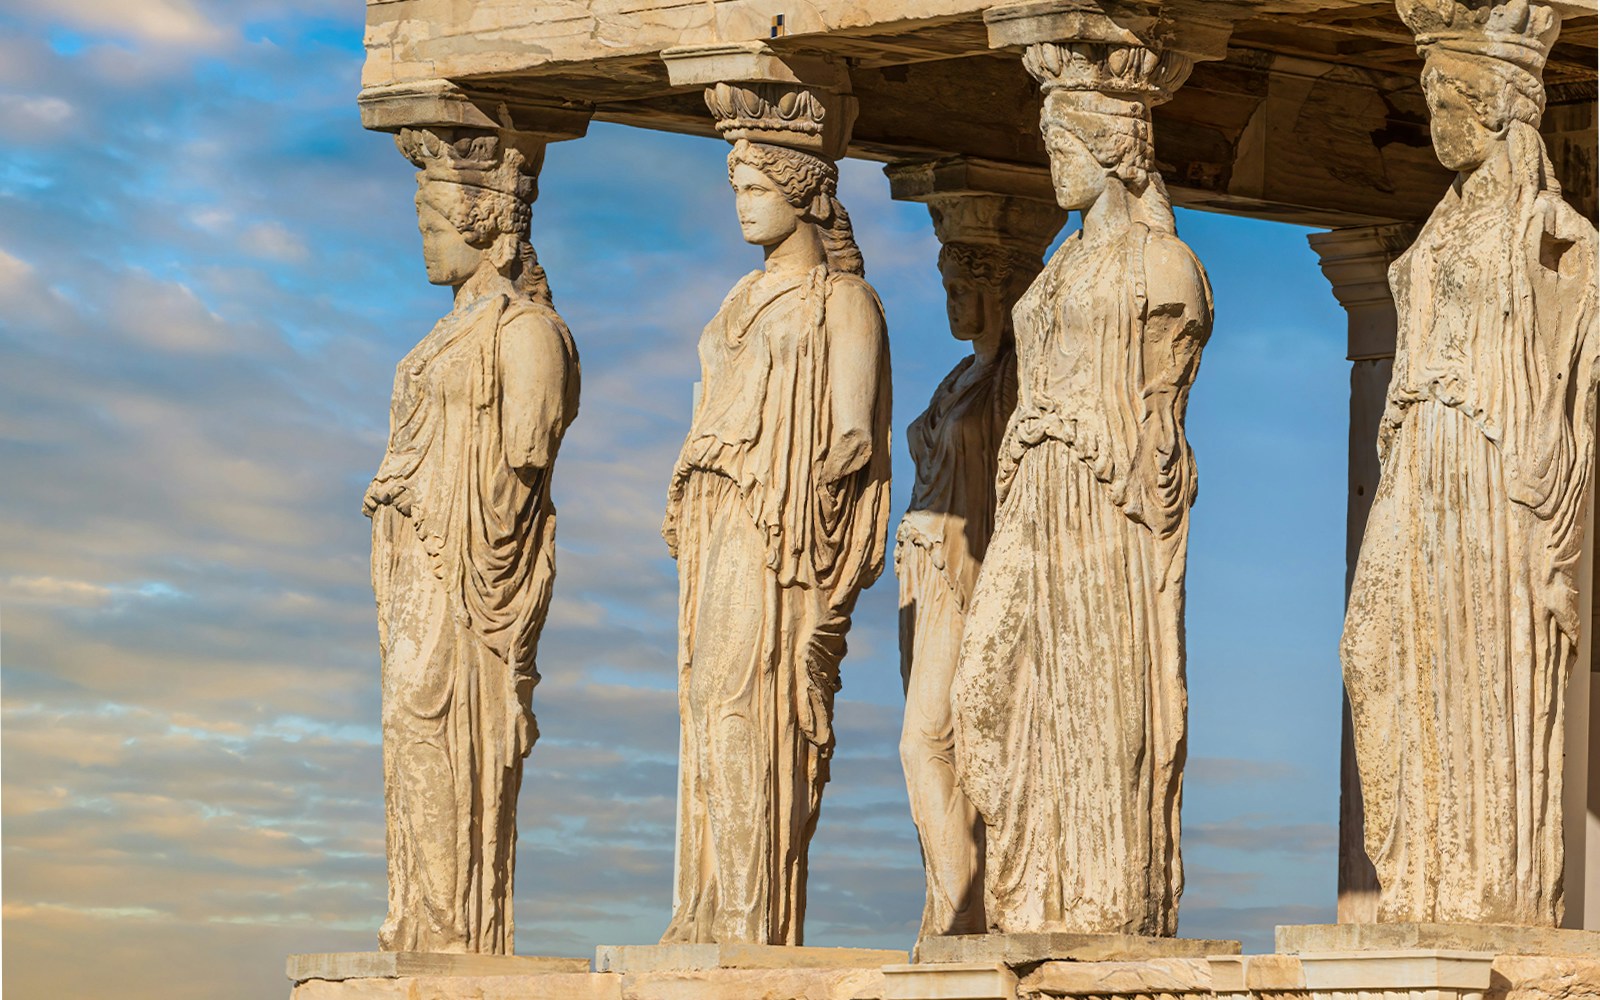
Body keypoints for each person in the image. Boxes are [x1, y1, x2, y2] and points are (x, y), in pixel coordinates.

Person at [1343, 0, 1597, 925]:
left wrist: (1548, 498)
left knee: (1482, 665)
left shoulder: (1555, 233)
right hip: (1419, 458)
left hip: (1493, 476)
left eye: (1447, 94)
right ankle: (1421, 879)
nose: (1434, 114)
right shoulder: (1440, 229)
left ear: (1499, 103)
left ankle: (1485, 892)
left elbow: (1572, 384)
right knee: (1371, 651)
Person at [950, 45, 1212, 935]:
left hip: (1105, 505)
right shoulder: (1058, 265)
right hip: (1034, 490)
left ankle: (1100, 901)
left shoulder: (1163, 265)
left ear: (1109, 148)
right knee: (982, 696)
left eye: (1063, 140)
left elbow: (1162, 423)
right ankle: (1033, 888)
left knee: (1095, 693)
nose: (1052, 157)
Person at [660, 137, 891, 945]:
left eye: (758, 188)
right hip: (718, 510)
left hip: (782, 524)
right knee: (704, 700)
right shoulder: (735, 299)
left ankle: (752, 914)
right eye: (738, 189)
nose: (743, 204)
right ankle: (705, 905)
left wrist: (818, 480)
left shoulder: (845, 302)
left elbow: (855, 432)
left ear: (803, 196)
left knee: (748, 698)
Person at [364, 127, 580, 953]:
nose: (423, 244)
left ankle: (457, 928)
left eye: (432, 227)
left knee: (445, 723)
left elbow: (525, 459)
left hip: (469, 567)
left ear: (484, 222)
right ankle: (419, 918)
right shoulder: (447, 331)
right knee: (409, 730)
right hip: (416, 559)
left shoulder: (525, 330)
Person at [897, 238, 1035, 939]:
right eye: (946, 288)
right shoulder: (959, 374)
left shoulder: (1012, 379)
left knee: (928, 738)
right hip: (922, 570)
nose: (951, 302)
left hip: (971, 569)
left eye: (961, 288)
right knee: (936, 737)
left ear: (998, 291)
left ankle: (962, 913)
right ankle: (947, 902)